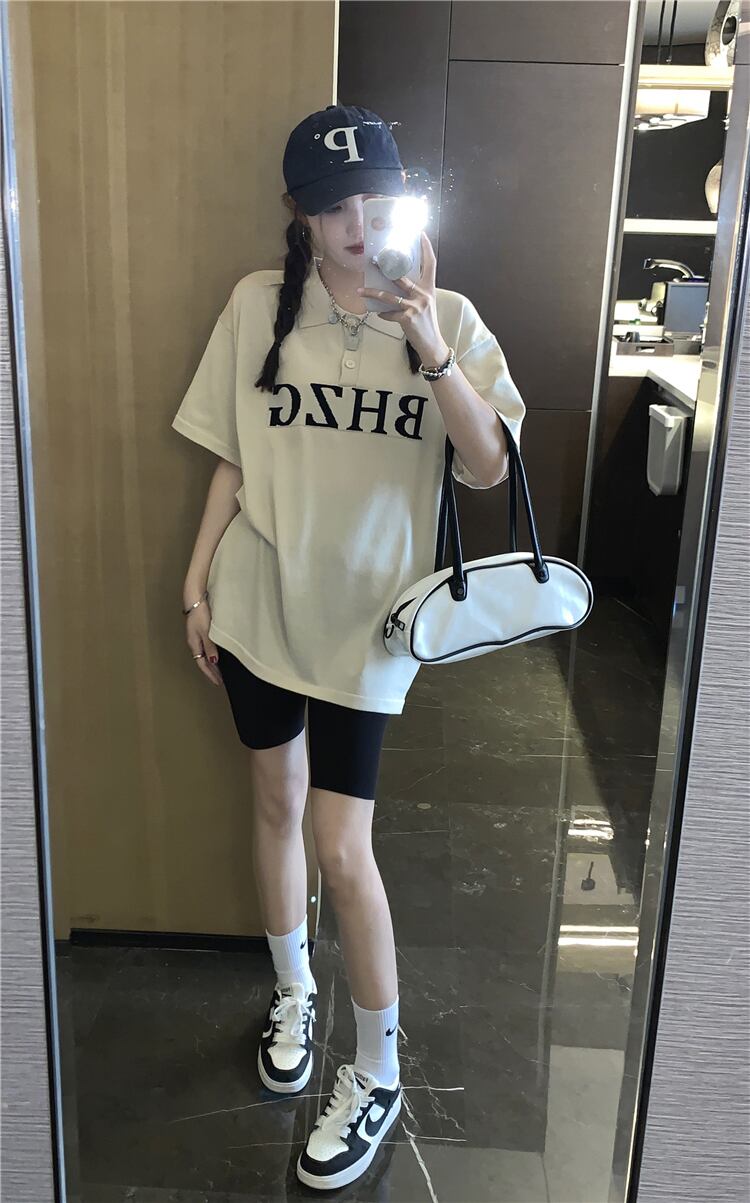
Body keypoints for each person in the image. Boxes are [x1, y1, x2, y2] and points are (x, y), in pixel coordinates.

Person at [172, 102, 526, 1190]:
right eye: (334, 209)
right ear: (301, 215)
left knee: (342, 847)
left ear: (402, 197)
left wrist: (430, 348)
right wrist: (195, 580)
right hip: (258, 603)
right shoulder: (257, 304)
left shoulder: (447, 315)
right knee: (275, 802)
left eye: (376, 200)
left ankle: (377, 1070)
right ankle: (293, 991)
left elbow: (488, 469)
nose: (358, 226)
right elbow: (235, 456)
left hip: (370, 626)